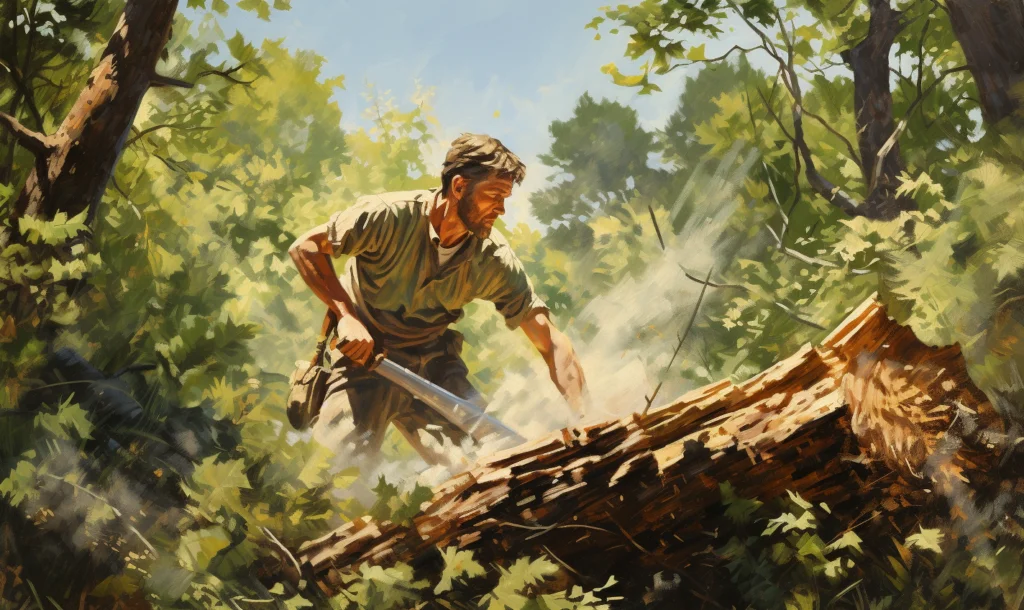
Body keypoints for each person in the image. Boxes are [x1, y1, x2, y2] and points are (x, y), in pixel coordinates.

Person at [288, 133, 588, 463]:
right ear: (459, 187)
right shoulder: (389, 215)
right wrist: (347, 317)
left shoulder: (492, 259)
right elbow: (306, 247)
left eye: (506, 198)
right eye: (494, 196)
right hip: (365, 359)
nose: (501, 209)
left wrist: (585, 416)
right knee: (333, 474)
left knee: (491, 461)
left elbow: (550, 340)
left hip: (435, 368)